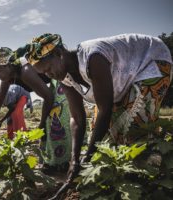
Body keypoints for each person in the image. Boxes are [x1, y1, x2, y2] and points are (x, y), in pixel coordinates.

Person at [23, 33, 172, 186]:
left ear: (59, 54)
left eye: (48, 69)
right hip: (125, 79)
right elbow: (77, 118)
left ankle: (147, 177)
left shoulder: (93, 57)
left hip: (151, 60)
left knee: (134, 123)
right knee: (101, 137)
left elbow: (105, 109)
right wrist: (74, 161)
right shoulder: (64, 78)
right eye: (45, 74)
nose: (50, 75)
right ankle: (116, 180)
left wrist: (86, 158)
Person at [0, 47, 72, 170]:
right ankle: (50, 162)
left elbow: (48, 97)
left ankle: (60, 164)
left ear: (9, 66)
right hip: (52, 84)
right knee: (48, 125)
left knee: (54, 119)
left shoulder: (25, 71)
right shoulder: (8, 78)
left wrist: (41, 124)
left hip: (60, 77)